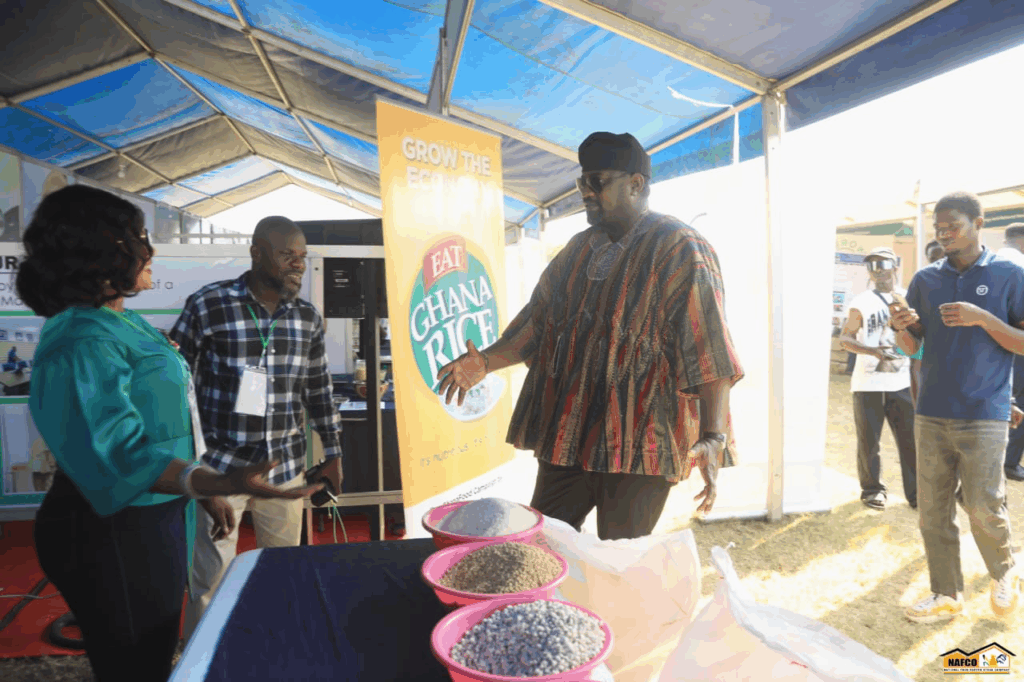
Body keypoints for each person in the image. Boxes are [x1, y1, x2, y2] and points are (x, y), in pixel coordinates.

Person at [18, 186, 322, 682]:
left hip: (153, 515)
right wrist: (218, 482)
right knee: (136, 666)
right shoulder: (81, 339)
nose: (149, 248)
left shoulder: (118, 320)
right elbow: (119, 453)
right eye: (135, 236)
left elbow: (174, 418)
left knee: (153, 656)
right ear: (95, 252)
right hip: (111, 530)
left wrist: (198, 487)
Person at [437, 131, 743, 540]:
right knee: (543, 544)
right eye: (583, 182)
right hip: (569, 435)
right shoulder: (578, 249)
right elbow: (537, 323)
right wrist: (486, 361)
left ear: (636, 184)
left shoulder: (679, 246)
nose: (585, 192)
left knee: (618, 560)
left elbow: (709, 346)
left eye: (597, 182)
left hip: (640, 443)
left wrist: (713, 436)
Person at [170, 216, 345, 643]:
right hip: (220, 470)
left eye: (302, 257)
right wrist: (196, 474)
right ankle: (204, 665)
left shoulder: (306, 317)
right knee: (209, 584)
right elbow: (176, 389)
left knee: (281, 573)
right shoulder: (207, 304)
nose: (298, 265)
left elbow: (318, 389)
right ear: (256, 253)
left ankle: (275, 654)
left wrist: (335, 453)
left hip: (284, 472)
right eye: (287, 255)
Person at [892, 191, 1022, 623]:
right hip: (931, 411)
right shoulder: (926, 279)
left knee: (984, 503)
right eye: (939, 228)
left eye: (953, 226)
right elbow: (914, 346)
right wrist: (902, 329)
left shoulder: (1010, 274)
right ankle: (946, 593)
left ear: (979, 222)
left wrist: (982, 317)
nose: (944, 234)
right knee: (933, 509)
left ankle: (1005, 571)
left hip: (985, 410)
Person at [838, 247, 916, 510]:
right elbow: (845, 338)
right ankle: (873, 490)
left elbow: (920, 337)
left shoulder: (910, 297)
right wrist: (871, 350)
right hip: (867, 383)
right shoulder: (861, 302)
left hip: (903, 382)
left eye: (883, 264)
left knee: (910, 440)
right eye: (872, 266)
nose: (878, 270)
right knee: (869, 440)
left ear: (895, 266)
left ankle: (916, 494)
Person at [997, 223, 1024, 481]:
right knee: (1016, 404)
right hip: (1016, 344)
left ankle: (1004, 461)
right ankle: (1008, 463)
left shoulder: (992, 259)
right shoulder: (1018, 265)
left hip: (994, 344)